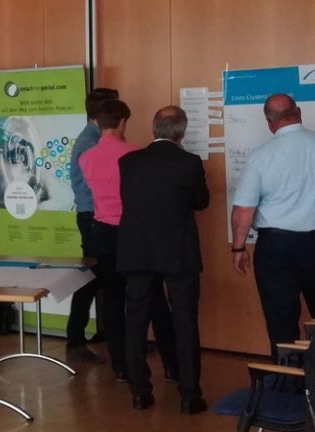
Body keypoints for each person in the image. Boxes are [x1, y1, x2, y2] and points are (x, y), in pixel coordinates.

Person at [230, 93, 315, 361]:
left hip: (276, 247)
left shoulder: (261, 156)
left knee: (281, 319)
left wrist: (238, 248)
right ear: (299, 112)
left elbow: (244, 210)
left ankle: (289, 379)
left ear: (270, 123)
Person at [117, 106, 209, 413]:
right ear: (181, 132)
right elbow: (201, 202)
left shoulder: (128, 162)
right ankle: (190, 395)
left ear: (154, 129)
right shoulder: (189, 163)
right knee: (185, 321)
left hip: (137, 251)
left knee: (136, 321)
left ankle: (139, 392)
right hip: (178, 252)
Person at [79, 99, 178, 384]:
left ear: (98, 123)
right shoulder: (135, 154)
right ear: (122, 122)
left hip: (102, 233)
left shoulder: (86, 158)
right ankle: (171, 364)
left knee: (112, 298)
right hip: (135, 233)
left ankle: (121, 366)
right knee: (154, 298)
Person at [65, 88, 119, 364]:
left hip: (95, 216)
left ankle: (111, 335)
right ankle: (75, 340)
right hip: (93, 217)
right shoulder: (91, 143)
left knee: (101, 275)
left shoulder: (94, 138)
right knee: (91, 277)